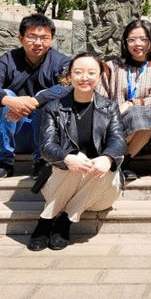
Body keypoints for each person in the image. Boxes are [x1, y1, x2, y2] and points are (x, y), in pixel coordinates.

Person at [28, 53, 127, 251]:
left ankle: (63, 221)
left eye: (91, 73)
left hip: (99, 192)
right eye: (78, 72)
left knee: (106, 166)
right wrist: (66, 158)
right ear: (69, 76)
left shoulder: (109, 107)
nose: (84, 77)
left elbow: (118, 139)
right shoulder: (54, 108)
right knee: (77, 160)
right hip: (60, 184)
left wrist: (107, 158)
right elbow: (46, 147)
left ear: (99, 77)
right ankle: (47, 222)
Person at [0, 13, 70, 181]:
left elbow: (68, 86)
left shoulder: (62, 62)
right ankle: (2, 163)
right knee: (5, 95)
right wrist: (10, 101)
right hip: (15, 132)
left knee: (46, 96)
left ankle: (43, 161)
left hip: (49, 137)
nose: (38, 43)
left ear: (52, 40)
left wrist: (36, 101)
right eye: (32, 37)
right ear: (21, 38)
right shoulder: (8, 60)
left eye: (44, 38)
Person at [101, 19, 151, 181]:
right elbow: (100, 98)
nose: (137, 44)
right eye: (132, 39)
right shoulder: (111, 67)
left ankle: (124, 160)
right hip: (113, 123)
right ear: (125, 42)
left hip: (143, 134)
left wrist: (131, 104)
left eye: (143, 39)